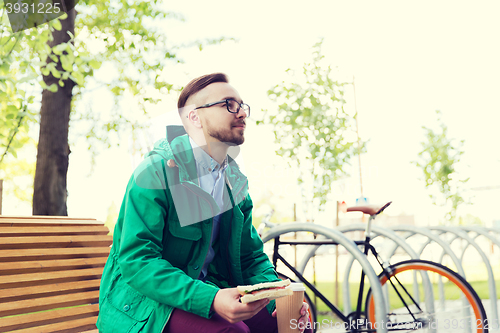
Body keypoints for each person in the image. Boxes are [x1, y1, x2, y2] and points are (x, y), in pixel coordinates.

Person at [96, 73, 311, 333]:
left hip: (209, 292)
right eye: (229, 104)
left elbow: (250, 256)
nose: (241, 112)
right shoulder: (155, 173)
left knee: (292, 324)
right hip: (147, 306)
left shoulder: (235, 183)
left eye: (243, 106)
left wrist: (279, 295)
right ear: (194, 117)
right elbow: (138, 260)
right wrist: (210, 299)